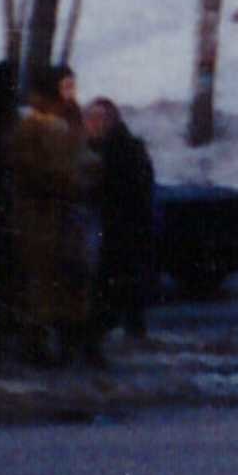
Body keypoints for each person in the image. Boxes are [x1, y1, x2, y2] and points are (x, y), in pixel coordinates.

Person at [3, 70, 99, 365]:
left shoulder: (73, 121)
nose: (71, 93)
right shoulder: (31, 127)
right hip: (40, 214)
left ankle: (73, 340)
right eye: (65, 87)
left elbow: (85, 159)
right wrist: (65, 183)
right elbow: (28, 169)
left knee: (74, 278)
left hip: (70, 212)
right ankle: (36, 344)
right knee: (42, 280)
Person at [81, 86, 161, 350]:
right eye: (90, 119)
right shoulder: (92, 148)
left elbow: (127, 188)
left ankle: (112, 331)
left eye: (99, 119)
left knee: (118, 280)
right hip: (113, 225)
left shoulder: (123, 150)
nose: (93, 124)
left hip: (122, 226)